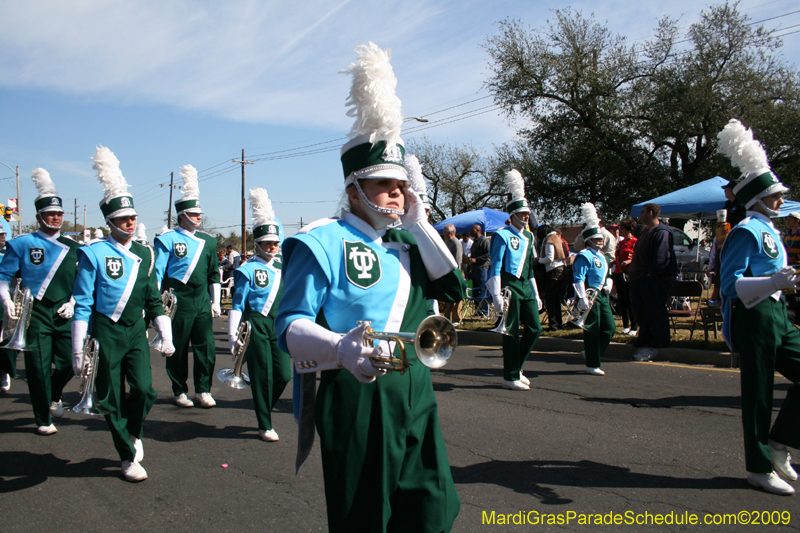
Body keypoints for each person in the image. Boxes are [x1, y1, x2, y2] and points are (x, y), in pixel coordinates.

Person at [275, 43, 463, 532]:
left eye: (401, 185)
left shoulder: (410, 241)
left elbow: (456, 289)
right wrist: (338, 346)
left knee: (432, 506)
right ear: (353, 190)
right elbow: (289, 322)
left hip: (415, 386)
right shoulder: (323, 241)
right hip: (357, 389)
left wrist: (422, 227)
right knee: (365, 515)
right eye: (384, 185)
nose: (396, 194)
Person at [71, 146, 174, 482]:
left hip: (134, 331)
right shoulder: (94, 253)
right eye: (123, 219)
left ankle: (134, 430)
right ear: (110, 222)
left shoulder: (145, 253)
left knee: (145, 390)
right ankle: (127, 457)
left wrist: (165, 332)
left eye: (133, 218)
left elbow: (153, 298)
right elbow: (83, 302)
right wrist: (77, 347)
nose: (130, 223)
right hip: (104, 331)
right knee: (111, 396)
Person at [717, 118, 799, 496]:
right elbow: (730, 284)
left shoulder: (771, 230)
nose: (780, 200)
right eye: (774, 196)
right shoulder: (748, 230)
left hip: (779, 314)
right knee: (759, 394)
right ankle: (759, 466)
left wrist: (783, 283)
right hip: (756, 316)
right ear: (757, 200)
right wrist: (773, 282)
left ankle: (781, 442)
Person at [0, 168, 79, 434]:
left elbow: (84, 281)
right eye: (50, 214)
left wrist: (74, 302)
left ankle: (55, 394)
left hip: (65, 313)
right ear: (39, 217)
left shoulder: (75, 247)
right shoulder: (23, 244)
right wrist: (7, 300)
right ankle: (43, 418)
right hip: (35, 314)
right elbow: (4, 275)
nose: (55, 218)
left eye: (59, 214)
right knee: (37, 367)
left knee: (70, 362)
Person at [154, 164, 221, 409]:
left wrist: (215, 301)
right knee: (178, 349)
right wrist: (156, 304)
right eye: (193, 215)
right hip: (177, 302)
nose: (198, 217)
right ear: (181, 216)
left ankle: (203, 389)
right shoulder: (167, 239)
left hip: (201, 301)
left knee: (206, 348)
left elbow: (215, 273)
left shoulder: (208, 241)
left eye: (199, 214)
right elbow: (158, 272)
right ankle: (179, 389)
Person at [228, 188, 291, 442]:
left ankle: (263, 405)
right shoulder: (248, 269)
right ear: (257, 245)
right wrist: (233, 334)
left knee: (283, 375)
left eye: (276, 243)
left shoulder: (284, 265)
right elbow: (238, 303)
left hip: (280, 324)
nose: (273, 247)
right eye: (268, 243)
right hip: (256, 324)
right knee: (262, 375)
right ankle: (264, 423)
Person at [488, 169, 542, 391]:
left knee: (535, 328)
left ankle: (516, 367)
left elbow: (529, 268)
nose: (526, 216)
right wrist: (496, 294)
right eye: (522, 213)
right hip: (509, 284)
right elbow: (496, 266)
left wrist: (536, 294)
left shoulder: (529, 236)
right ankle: (510, 377)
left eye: (527, 213)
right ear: (512, 215)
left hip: (525, 286)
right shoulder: (501, 235)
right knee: (511, 332)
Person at [628, 202, 677, 360]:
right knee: (641, 309)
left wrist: (652, 274)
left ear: (650, 213)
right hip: (640, 278)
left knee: (655, 308)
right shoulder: (645, 231)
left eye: (642, 212)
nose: (640, 215)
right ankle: (645, 337)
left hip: (655, 279)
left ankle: (660, 339)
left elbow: (662, 256)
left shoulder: (661, 232)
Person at [572, 204, 615, 376]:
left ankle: (591, 353)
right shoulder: (584, 255)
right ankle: (592, 363)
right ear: (589, 240)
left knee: (609, 328)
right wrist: (582, 297)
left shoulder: (603, 256)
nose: (601, 241)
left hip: (602, 295)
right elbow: (579, 278)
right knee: (592, 330)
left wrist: (610, 282)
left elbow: (607, 273)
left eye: (601, 239)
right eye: (597, 239)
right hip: (590, 295)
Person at [536, 224, 568, 331]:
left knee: (550, 300)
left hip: (553, 270)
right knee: (556, 300)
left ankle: (553, 324)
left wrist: (538, 261)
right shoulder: (558, 238)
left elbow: (550, 258)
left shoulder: (549, 239)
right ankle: (558, 323)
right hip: (561, 269)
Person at [612, 218, 638, 335]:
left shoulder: (635, 242)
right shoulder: (621, 243)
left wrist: (629, 261)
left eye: (622, 228)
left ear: (628, 229)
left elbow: (638, 258)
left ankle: (634, 326)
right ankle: (626, 325)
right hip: (618, 272)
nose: (620, 231)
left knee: (630, 301)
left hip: (628, 274)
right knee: (622, 300)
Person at [439, 224, 463, 324]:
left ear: (449, 233)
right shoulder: (448, 243)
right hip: (448, 273)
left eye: (444, 232)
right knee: (449, 297)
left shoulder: (456, 243)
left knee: (457, 297)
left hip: (455, 273)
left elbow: (458, 260)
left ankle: (457, 318)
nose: (443, 234)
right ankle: (448, 317)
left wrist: (456, 274)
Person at [469, 224, 491, 312]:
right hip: (474, 269)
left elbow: (488, 256)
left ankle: (484, 310)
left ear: (478, 230)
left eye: (472, 229)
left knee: (483, 290)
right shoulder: (475, 242)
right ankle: (478, 309)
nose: (470, 231)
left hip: (482, 269)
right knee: (475, 291)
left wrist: (476, 260)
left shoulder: (484, 241)